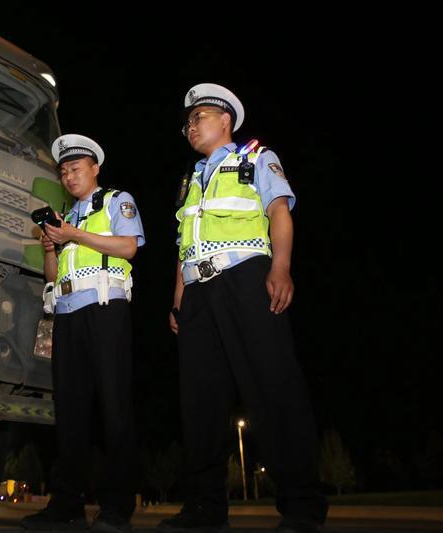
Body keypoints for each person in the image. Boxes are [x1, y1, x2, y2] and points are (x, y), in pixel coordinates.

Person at [158, 84, 328, 533]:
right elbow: (184, 242)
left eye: (199, 118)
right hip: (197, 291)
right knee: (200, 400)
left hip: (246, 277)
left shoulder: (255, 158)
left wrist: (281, 267)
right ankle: (205, 508)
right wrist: (178, 298)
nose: (190, 127)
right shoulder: (191, 179)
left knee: (272, 383)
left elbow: (279, 212)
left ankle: (302, 505)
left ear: (225, 121)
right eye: (187, 122)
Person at [21, 134, 145, 533]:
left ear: (95, 168)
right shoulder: (64, 217)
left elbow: (128, 247)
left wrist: (74, 235)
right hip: (68, 313)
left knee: (114, 407)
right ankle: (66, 503)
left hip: (106, 309)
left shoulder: (115, 201)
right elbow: (53, 276)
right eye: (63, 172)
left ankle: (116, 507)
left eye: (76, 169)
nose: (69, 177)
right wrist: (50, 247)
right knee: (69, 411)